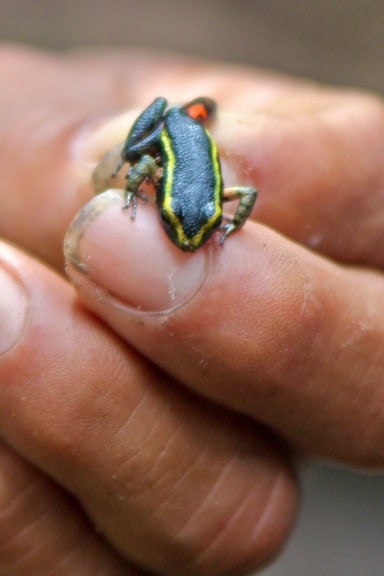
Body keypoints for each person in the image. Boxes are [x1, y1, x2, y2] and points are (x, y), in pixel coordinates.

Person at [0, 44, 383, 576]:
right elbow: (151, 164)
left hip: (197, 152)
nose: (186, 240)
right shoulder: (164, 181)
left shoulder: (216, 200)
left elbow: (242, 196)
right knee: (144, 146)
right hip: (173, 132)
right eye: (181, 226)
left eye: (196, 231)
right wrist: (129, 181)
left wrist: (228, 224)